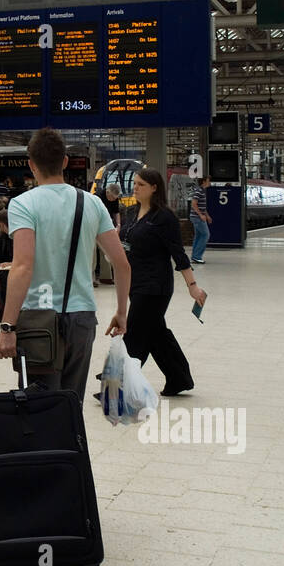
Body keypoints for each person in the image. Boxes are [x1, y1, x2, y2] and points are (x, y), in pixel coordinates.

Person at [0, 128, 130, 404]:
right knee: (70, 404)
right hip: (82, 317)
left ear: (31, 164)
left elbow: (22, 266)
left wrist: (7, 327)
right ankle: (71, 448)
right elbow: (122, 263)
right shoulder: (91, 202)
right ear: (65, 162)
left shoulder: (23, 204)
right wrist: (121, 312)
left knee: (39, 406)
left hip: (38, 320)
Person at [122, 168, 206, 396]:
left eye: (140, 184)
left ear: (154, 188)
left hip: (155, 285)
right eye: (135, 183)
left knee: (135, 333)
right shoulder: (130, 213)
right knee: (156, 333)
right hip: (135, 282)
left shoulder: (164, 218)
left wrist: (192, 286)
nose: (135, 187)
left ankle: (119, 384)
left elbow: (178, 254)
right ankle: (179, 378)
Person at [95, 182, 122, 286]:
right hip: (95, 224)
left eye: (115, 198)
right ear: (107, 192)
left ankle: (106, 277)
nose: (113, 200)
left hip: (107, 225)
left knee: (106, 250)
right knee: (92, 253)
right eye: (112, 198)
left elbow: (116, 212)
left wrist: (118, 225)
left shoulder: (114, 198)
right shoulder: (98, 197)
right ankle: (92, 278)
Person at [189, 175, 212, 264]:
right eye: (208, 181)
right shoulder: (199, 191)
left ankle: (195, 256)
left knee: (198, 236)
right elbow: (194, 204)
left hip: (197, 216)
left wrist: (207, 215)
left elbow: (201, 206)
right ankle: (197, 256)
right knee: (206, 235)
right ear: (203, 182)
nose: (209, 182)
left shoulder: (202, 191)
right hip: (197, 217)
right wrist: (201, 215)